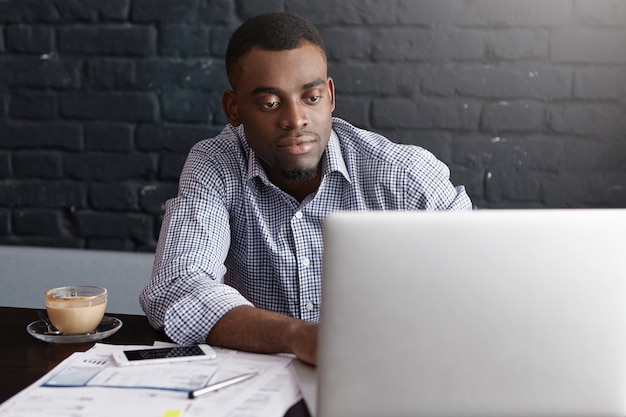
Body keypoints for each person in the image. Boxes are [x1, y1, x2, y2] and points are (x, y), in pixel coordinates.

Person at [139, 12, 472, 366]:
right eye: (270, 103)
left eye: (311, 97)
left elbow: (482, 278)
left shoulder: (404, 174)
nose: (295, 119)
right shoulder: (216, 165)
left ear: (329, 96)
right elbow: (177, 286)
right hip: (261, 386)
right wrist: (298, 337)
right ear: (234, 109)